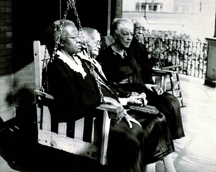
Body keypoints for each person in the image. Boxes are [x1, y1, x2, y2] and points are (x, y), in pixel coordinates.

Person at [43, 20, 176, 172]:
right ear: (60, 42)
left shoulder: (79, 61)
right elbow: (75, 100)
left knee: (147, 124)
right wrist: (108, 102)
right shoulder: (56, 67)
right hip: (83, 121)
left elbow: (97, 88)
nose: (80, 40)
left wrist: (118, 103)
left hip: (98, 113)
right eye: (74, 37)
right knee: (132, 136)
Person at [79, 27, 177, 172]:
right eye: (96, 42)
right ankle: (154, 168)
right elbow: (94, 95)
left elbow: (107, 88)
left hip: (116, 103)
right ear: (83, 44)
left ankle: (166, 168)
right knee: (153, 121)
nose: (100, 45)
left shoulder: (93, 63)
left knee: (158, 118)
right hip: (104, 114)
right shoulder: (83, 66)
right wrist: (123, 100)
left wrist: (131, 96)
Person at [97, 18, 185, 140]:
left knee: (171, 101)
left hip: (139, 89)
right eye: (125, 34)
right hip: (125, 94)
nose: (129, 38)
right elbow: (108, 85)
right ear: (116, 35)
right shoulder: (105, 56)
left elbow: (138, 75)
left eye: (131, 34)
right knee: (161, 113)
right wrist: (129, 94)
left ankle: (169, 140)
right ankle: (160, 143)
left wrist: (145, 90)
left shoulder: (131, 53)